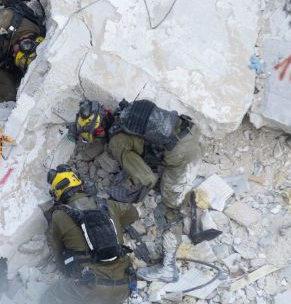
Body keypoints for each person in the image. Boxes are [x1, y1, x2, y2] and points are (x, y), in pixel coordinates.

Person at [74, 99, 203, 283]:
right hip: (192, 132)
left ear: (99, 130)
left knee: (168, 210)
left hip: (183, 155)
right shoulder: (126, 113)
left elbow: (148, 179)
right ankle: (166, 248)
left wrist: (134, 189)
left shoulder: (116, 142)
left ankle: (168, 268)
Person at [43, 165, 137, 304]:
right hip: (126, 285)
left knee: (51, 294)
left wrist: (67, 269)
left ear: (59, 194)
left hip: (93, 288)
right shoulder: (107, 205)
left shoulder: (59, 216)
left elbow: (57, 252)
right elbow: (133, 214)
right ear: (81, 186)